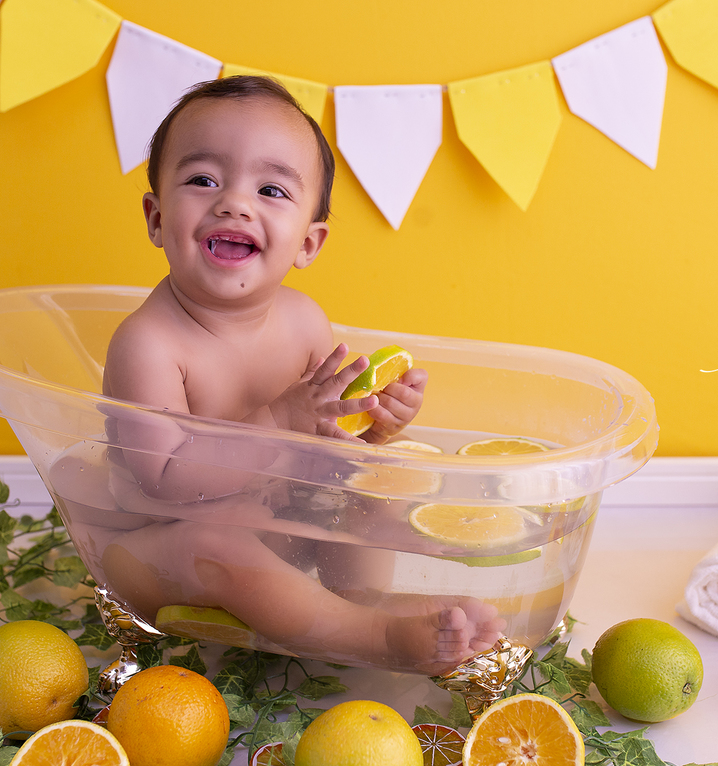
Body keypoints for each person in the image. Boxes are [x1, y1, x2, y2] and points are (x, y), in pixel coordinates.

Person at [98, 76, 504, 674]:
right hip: (161, 558)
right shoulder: (149, 343)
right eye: (203, 179)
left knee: (361, 494)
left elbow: (327, 443)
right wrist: (282, 417)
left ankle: (369, 607)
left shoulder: (305, 321)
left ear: (308, 243)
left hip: (277, 529)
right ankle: (377, 638)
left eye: (270, 189)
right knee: (215, 543)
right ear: (156, 217)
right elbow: (163, 480)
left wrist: (375, 427)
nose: (234, 202)